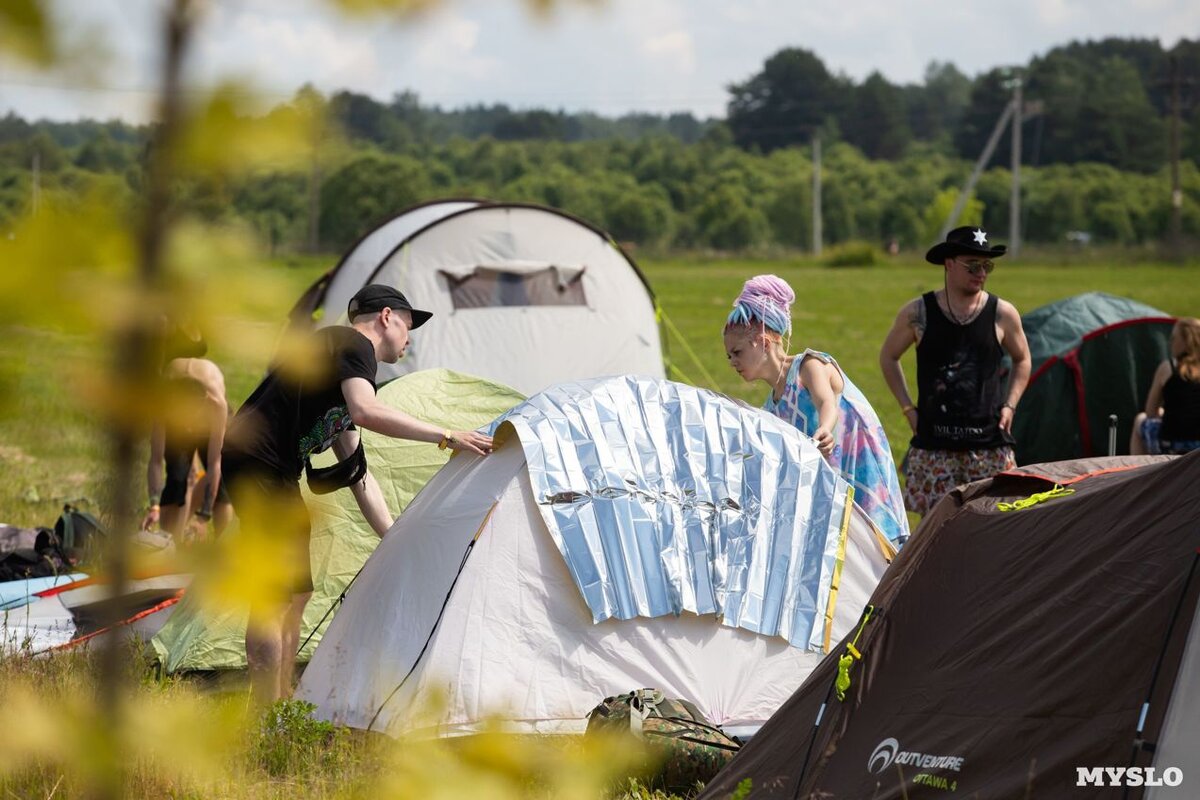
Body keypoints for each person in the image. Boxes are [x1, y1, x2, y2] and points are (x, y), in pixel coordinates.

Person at [222, 284, 494, 705]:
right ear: (386, 316)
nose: (410, 338)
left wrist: (392, 536)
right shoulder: (353, 343)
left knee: (297, 593)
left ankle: (282, 696)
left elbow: (358, 474)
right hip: (257, 463)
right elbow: (368, 411)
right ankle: (264, 710)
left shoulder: (340, 373)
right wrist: (445, 435)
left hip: (272, 472)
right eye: (408, 325)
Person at [723, 275, 909, 545]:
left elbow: (826, 402)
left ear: (763, 342)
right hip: (835, 483)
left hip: (861, 470)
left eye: (737, 352)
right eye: (729, 356)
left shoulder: (808, 365)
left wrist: (824, 427)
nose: (732, 362)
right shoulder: (771, 407)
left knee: (881, 546)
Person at [879, 225, 1031, 517]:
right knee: (937, 532)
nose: (981, 273)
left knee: (994, 528)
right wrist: (907, 408)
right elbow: (888, 357)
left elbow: (1022, 359)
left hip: (989, 446)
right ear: (949, 264)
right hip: (935, 447)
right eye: (972, 265)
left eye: (987, 265)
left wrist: (1010, 405)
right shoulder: (917, 313)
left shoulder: (1003, 313)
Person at [142, 320, 232, 542]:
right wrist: (153, 504)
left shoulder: (216, 406)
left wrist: (204, 515)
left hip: (211, 419)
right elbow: (155, 461)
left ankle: (221, 545)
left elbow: (214, 465)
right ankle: (170, 542)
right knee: (177, 477)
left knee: (224, 484)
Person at [1130, 317, 1200, 456]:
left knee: (1140, 419)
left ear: (1185, 342)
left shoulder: (1167, 367)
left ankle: (1141, 474)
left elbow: (1150, 412)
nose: (1170, 343)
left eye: (1174, 338)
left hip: (1170, 445)